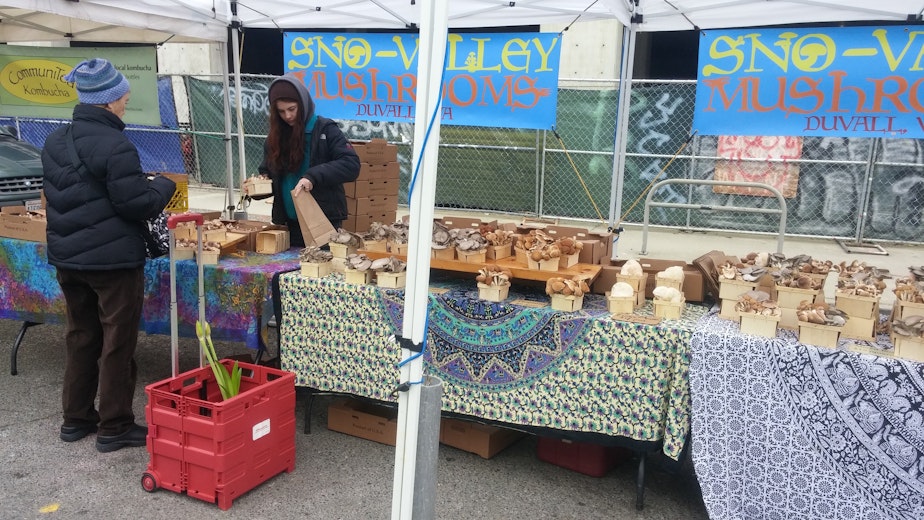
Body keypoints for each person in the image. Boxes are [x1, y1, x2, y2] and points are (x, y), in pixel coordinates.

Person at [41, 58, 176, 453]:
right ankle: (115, 424)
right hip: (113, 263)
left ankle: (76, 418)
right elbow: (136, 205)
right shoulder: (116, 144)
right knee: (117, 341)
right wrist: (163, 185)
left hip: (68, 258)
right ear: (108, 100)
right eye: (123, 99)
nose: (124, 106)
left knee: (81, 336)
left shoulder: (54, 141)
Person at [256, 74, 360, 247]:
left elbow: (351, 165)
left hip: (324, 222)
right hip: (289, 223)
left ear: (303, 105)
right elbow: (268, 173)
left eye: (292, 109)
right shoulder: (274, 138)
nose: (287, 116)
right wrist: (258, 185)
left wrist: (312, 177)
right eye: (281, 112)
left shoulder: (326, 130)